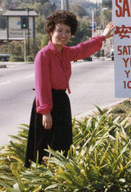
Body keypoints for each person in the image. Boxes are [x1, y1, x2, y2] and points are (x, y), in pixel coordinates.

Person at [24, 10, 115, 167]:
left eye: (67, 31)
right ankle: (41, 181)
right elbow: (42, 86)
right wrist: (46, 112)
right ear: (51, 30)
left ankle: (61, 179)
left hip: (62, 102)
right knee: (45, 146)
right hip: (47, 104)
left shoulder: (65, 53)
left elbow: (83, 49)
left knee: (63, 144)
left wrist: (103, 37)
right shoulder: (44, 55)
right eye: (59, 30)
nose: (63, 35)